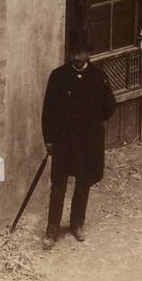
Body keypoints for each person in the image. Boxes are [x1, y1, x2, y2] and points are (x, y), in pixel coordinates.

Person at [40, 34, 117, 248]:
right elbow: (47, 111)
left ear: (88, 54)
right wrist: (49, 139)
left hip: (87, 141)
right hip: (63, 140)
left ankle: (77, 224)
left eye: (80, 52)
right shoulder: (58, 76)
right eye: (73, 52)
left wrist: (91, 122)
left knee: (83, 182)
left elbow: (110, 105)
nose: (75, 56)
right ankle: (52, 229)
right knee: (58, 184)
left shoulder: (98, 76)